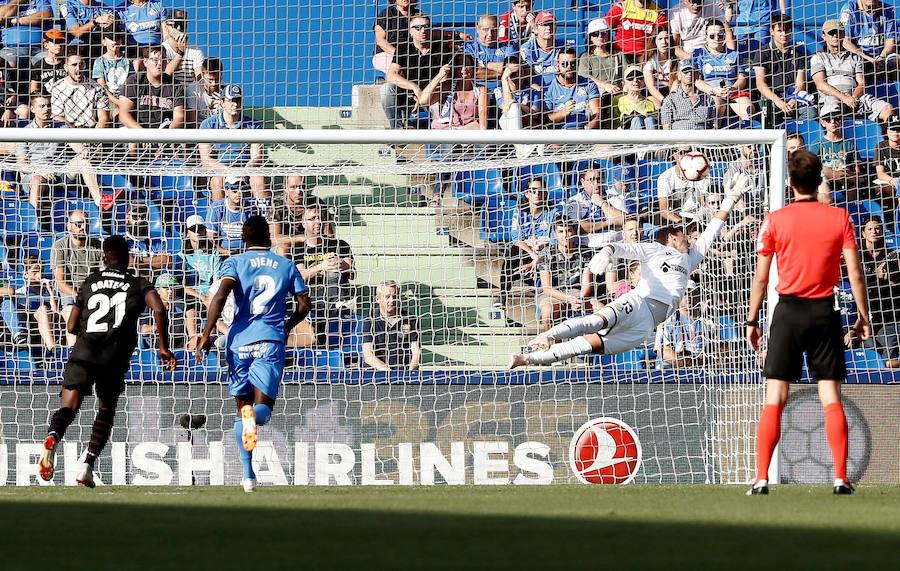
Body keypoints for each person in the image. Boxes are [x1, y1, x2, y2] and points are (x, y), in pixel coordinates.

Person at [508, 172, 751, 369]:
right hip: (638, 302)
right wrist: (607, 252)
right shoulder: (654, 249)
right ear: (672, 239)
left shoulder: (690, 259)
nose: (688, 237)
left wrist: (730, 199)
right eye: (682, 234)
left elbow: (712, 230)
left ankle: (526, 359)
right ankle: (549, 335)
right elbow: (622, 247)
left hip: (647, 324)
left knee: (590, 345)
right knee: (596, 320)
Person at [745, 149, 870, 496]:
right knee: (830, 395)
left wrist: (752, 319)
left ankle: (760, 478)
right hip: (824, 311)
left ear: (790, 183)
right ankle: (841, 477)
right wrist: (862, 315)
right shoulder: (839, 218)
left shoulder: (775, 219)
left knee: (775, 397)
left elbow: (760, 277)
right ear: (819, 181)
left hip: (787, 312)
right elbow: (855, 272)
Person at [37, 235, 176, 488]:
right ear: (128, 259)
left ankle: (53, 436)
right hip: (113, 357)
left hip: (84, 352)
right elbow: (159, 308)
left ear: (103, 257)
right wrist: (163, 346)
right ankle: (86, 467)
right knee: (106, 410)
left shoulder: (89, 282)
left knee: (68, 407)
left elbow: (69, 326)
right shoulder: (139, 284)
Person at [196, 216, 311, 493]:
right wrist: (286, 326)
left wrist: (206, 333)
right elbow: (305, 304)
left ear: (244, 240)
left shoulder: (234, 263)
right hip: (269, 341)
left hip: (237, 343)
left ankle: (248, 476)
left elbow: (220, 296)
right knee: (261, 412)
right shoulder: (286, 265)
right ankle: (249, 465)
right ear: (269, 238)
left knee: (242, 412)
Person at [293, 206, 355, 348]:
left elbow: (353, 273)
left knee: (333, 273)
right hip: (311, 298)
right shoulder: (298, 249)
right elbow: (301, 276)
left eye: (320, 218)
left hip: (336, 296)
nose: (318, 222)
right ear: (303, 223)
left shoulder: (340, 244)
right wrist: (322, 266)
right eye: (312, 219)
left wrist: (340, 264)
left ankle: (337, 306)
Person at [811, 20, 894, 123]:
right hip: (831, 99)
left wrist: (853, 97)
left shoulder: (855, 57)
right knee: (832, 112)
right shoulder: (818, 57)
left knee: (888, 109)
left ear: (844, 34)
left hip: (855, 99)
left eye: (839, 32)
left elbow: (862, 83)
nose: (835, 35)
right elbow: (820, 84)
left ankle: (888, 137)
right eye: (831, 33)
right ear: (824, 36)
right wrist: (844, 98)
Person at [382, 14, 453, 129]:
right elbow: (390, 75)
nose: (423, 31)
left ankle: (438, 141)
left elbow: (445, 81)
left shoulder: (442, 48)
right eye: (418, 28)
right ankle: (398, 132)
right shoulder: (403, 47)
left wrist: (424, 98)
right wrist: (414, 87)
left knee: (439, 105)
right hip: (407, 95)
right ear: (411, 31)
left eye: (426, 27)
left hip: (433, 96)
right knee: (386, 89)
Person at [496, 178, 556, 308]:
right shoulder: (519, 212)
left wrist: (537, 258)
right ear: (527, 194)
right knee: (512, 252)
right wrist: (533, 255)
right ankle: (503, 294)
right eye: (533, 191)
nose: (537, 194)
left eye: (540, 191)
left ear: (545, 193)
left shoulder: (552, 212)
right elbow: (516, 238)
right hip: (527, 252)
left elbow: (554, 240)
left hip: (545, 253)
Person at [199, 84, 265, 201]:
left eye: (238, 100)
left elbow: (257, 157)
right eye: (231, 100)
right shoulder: (208, 125)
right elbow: (206, 160)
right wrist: (228, 171)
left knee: (259, 179)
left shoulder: (254, 125)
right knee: (217, 181)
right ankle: (219, 216)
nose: (235, 104)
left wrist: (243, 171)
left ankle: (263, 216)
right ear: (222, 102)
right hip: (221, 170)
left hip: (246, 171)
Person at [752, 14, 814, 128]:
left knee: (811, 112)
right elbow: (760, 84)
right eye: (780, 31)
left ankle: (799, 141)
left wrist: (794, 100)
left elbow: (800, 84)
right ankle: (768, 145)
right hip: (771, 97)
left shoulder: (799, 53)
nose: (784, 34)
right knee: (768, 111)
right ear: (772, 31)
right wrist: (778, 101)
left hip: (792, 96)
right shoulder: (762, 52)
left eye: (787, 30)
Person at [536, 217, 594, 331]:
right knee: (548, 313)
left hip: (577, 293)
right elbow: (547, 288)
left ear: (574, 232)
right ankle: (552, 346)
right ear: (555, 234)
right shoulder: (546, 253)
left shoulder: (585, 253)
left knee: (600, 310)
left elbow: (587, 284)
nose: (565, 235)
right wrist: (568, 299)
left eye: (569, 230)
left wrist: (578, 300)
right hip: (552, 295)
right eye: (561, 231)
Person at [693, 19, 753, 124]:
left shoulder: (734, 54)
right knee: (715, 108)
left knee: (749, 110)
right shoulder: (699, 54)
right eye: (712, 36)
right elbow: (697, 81)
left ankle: (745, 136)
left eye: (720, 36)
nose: (716, 39)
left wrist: (733, 88)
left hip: (732, 91)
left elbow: (742, 78)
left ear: (724, 37)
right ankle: (714, 135)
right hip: (711, 92)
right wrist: (713, 90)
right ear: (705, 36)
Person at [0, 253, 58, 352]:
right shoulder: (20, 293)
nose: (39, 275)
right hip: (29, 326)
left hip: (47, 324)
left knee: (43, 310)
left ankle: (53, 350)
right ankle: (52, 349)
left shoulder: (47, 292)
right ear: (25, 274)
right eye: (35, 272)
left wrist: (50, 291)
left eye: (41, 271)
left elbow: (56, 312)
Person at [119, 46, 185, 129]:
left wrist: (166, 135)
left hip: (164, 133)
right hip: (136, 131)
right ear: (145, 62)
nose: (160, 63)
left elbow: (179, 117)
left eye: (163, 59)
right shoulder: (134, 81)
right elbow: (124, 115)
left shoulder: (175, 85)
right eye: (155, 60)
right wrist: (143, 135)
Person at [361, 280, 420, 372]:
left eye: (395, 296)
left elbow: (416, 351)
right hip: (376, 375)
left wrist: (410, 373)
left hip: (403, 375)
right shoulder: (369, 320)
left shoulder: (411, 319)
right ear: (377, 299)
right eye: (387, 297)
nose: (392, 300)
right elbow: (368, 355)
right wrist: (389, 373)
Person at [418, 54, 489, 129]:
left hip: (466, 130)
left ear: (473, 68)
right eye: (460, 65)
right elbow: (423, 101)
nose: (464, 68)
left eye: (467, 65)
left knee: (476, 126)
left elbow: (483, 116)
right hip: (445, 129)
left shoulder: (480, 90)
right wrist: (439, 76)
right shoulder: (447, 87)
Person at [840, 0, 899, 86]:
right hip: (859, 57)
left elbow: (891, 41)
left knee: (896, 60)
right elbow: (845, 41)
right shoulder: (849, 8)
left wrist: (881, 57)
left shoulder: (888, 9)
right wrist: (868, 58)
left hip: (881, 57)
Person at [578, 17, 624, 126]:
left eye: (603, 33)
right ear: (590, 38)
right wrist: (605, 85)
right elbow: (584, 76)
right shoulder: (586, 57)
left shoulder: (618, 55)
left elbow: (627, 75)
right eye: (595, 34)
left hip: (618, 93)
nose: (600, 36)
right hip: (597, 95)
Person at [272, 175, 333, 255]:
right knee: (283, 248)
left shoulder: (316, 202)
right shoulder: (277, 204)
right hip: (289, 244)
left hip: (313, 243)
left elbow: (329, 234)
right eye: (293, 187)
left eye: (302, 187)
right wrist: (300, 238)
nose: (299, 191)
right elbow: (273, 238)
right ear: (285, 188)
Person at [541, 48, 600, 130]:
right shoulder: (549, 88)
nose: (569, 67)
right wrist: (563, 113)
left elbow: (596, 115)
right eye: (564, 64)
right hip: (560, 135)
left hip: (585, 133)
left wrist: (586, 134)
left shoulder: (589, 84)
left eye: (573, 64)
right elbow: (546, 119)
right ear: (557, 66)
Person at [49, 49, 110, 128]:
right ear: (66, 67)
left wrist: (94, 137)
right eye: (74, 65)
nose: (78, 68)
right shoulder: (57, 88)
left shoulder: (96, 88)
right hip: (67, 133)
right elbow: (58, 117)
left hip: (92, 132)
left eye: (81, 64)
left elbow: (104, 119)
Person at [657, 147, 712, 224]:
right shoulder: (665, 177)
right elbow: (664, 211)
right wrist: (682, 223)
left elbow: (704, 203)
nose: (686, 155)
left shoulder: (702, 173)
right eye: (682, 152)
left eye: (689, 152)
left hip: (699, 218)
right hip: (677, 220)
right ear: (675, 155)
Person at [564, 167, 626, 234]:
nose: (596, 183)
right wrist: (608, 222)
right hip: (587, 243)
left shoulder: (614, 198)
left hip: (615, 243)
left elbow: (624, 220)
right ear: (582, 182)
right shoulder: (575, 200)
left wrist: (602, 203)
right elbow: (576, 227)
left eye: (599, 179)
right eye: (591, 179)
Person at [206, 177, 259, 256]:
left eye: (242, 189)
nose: (239, 192)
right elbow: (211, 240)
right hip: (223, 254)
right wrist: (228, 253)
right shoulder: (216, 208)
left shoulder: (252, 208)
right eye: (235, 189)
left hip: (247, 253)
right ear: (226, 191)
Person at [811, 111, 860, 195]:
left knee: (855, 185)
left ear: (841, 120)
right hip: (824, 180)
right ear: (823, 122)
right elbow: (812, 167)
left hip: (845, 179)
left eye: (836, 118)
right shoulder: (817, 144)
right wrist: (833, 174)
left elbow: (857, 170)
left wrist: (849, 174)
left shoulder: (849, 144)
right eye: (828, 119)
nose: (833, 122)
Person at [660, 61, 716, 129]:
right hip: (680, 137)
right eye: (685, 71)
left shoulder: (707, 98)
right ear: (679, 75)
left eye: (692, 71)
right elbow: (667, 128)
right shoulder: (670, 99)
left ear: (697, 75)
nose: (689, 73)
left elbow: (714, 125)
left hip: (703, 136)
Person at [464, 14, 516, 86]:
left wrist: (483, 64)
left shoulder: (508, 47)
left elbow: (512, 69)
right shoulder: (469, 48)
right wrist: (502, 72)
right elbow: (471, 73)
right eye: (485, 30)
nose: (490, 34)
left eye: (494, 30)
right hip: (477, 91)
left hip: (504, 91)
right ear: (477, 29)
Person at [372, 0, 420, 75]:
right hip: (386, 54)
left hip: (411, 55)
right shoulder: (387, 13)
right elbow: (380, 41)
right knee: (400, 69)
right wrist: (399, 55)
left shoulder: (418, 14)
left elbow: (427, 32)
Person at [0, 0, 53, 66]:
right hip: (12, 48)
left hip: (39, 47)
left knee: (50, 59)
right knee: (11, 62)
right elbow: (1, 16)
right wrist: (17, 1)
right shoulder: (5, 2)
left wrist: (18, 20)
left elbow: (45, 14)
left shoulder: (39, 1)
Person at [92, 28, 132, 113]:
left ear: (121, 41)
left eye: (117, 38)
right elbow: (102, 87)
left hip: (125, 97)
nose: (114, 42)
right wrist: (118, 102)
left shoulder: (127, 62)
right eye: (111, 39)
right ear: (104, 41)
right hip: (107, 98)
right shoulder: (99, 62)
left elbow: (131, 83)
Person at [161, 9, 204, 84]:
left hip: (191, 92)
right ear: (166, 26)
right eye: (175, 25)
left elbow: (200, 78)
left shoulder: (195, 50)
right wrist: (180, 52)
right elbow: (165, 75)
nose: (179, 28)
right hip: (169, 91)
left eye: (182, 24)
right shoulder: (162, 49)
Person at [519, 10, 564, 81]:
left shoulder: (563, 47)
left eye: (551, 24)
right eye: (544, 24)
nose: (548, 28)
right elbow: (526, 78)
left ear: (556, 28)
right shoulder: (527, 48)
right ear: (536, 28)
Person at [615, 64, 658, 129]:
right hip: (625, 135)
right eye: (631, 78)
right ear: (624, 83)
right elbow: (611, 122)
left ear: (644, 82)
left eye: (639, 77)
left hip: (648, 134)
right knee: (636, 120)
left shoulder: (650, 102)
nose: (635, 80)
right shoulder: (618, 99)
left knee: (650, 120)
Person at [185, 57, 223, 127]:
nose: (214, 83)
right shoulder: (193, 90)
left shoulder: (226, 91)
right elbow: (192, 122)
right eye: (210, 80)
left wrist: (224, 105)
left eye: (217, 79)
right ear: (202, 75)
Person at [644, 28, 677, 107]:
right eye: (660, 39)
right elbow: (650, 86)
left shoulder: (675, 59)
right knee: (658, 105)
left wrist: (671, 98)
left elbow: (676, 82)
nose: (664, 42)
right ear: (655, 41)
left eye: (666, 38)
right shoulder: (649, 60)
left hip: (671, 91)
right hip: (654, 93)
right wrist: (663, 100)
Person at [29, 29, 67, 95]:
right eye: (55, 42)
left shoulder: (68, 64)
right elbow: (34, 89)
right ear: (46, 45)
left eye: (61, 41)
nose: (59, 45)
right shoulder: (39, 65)